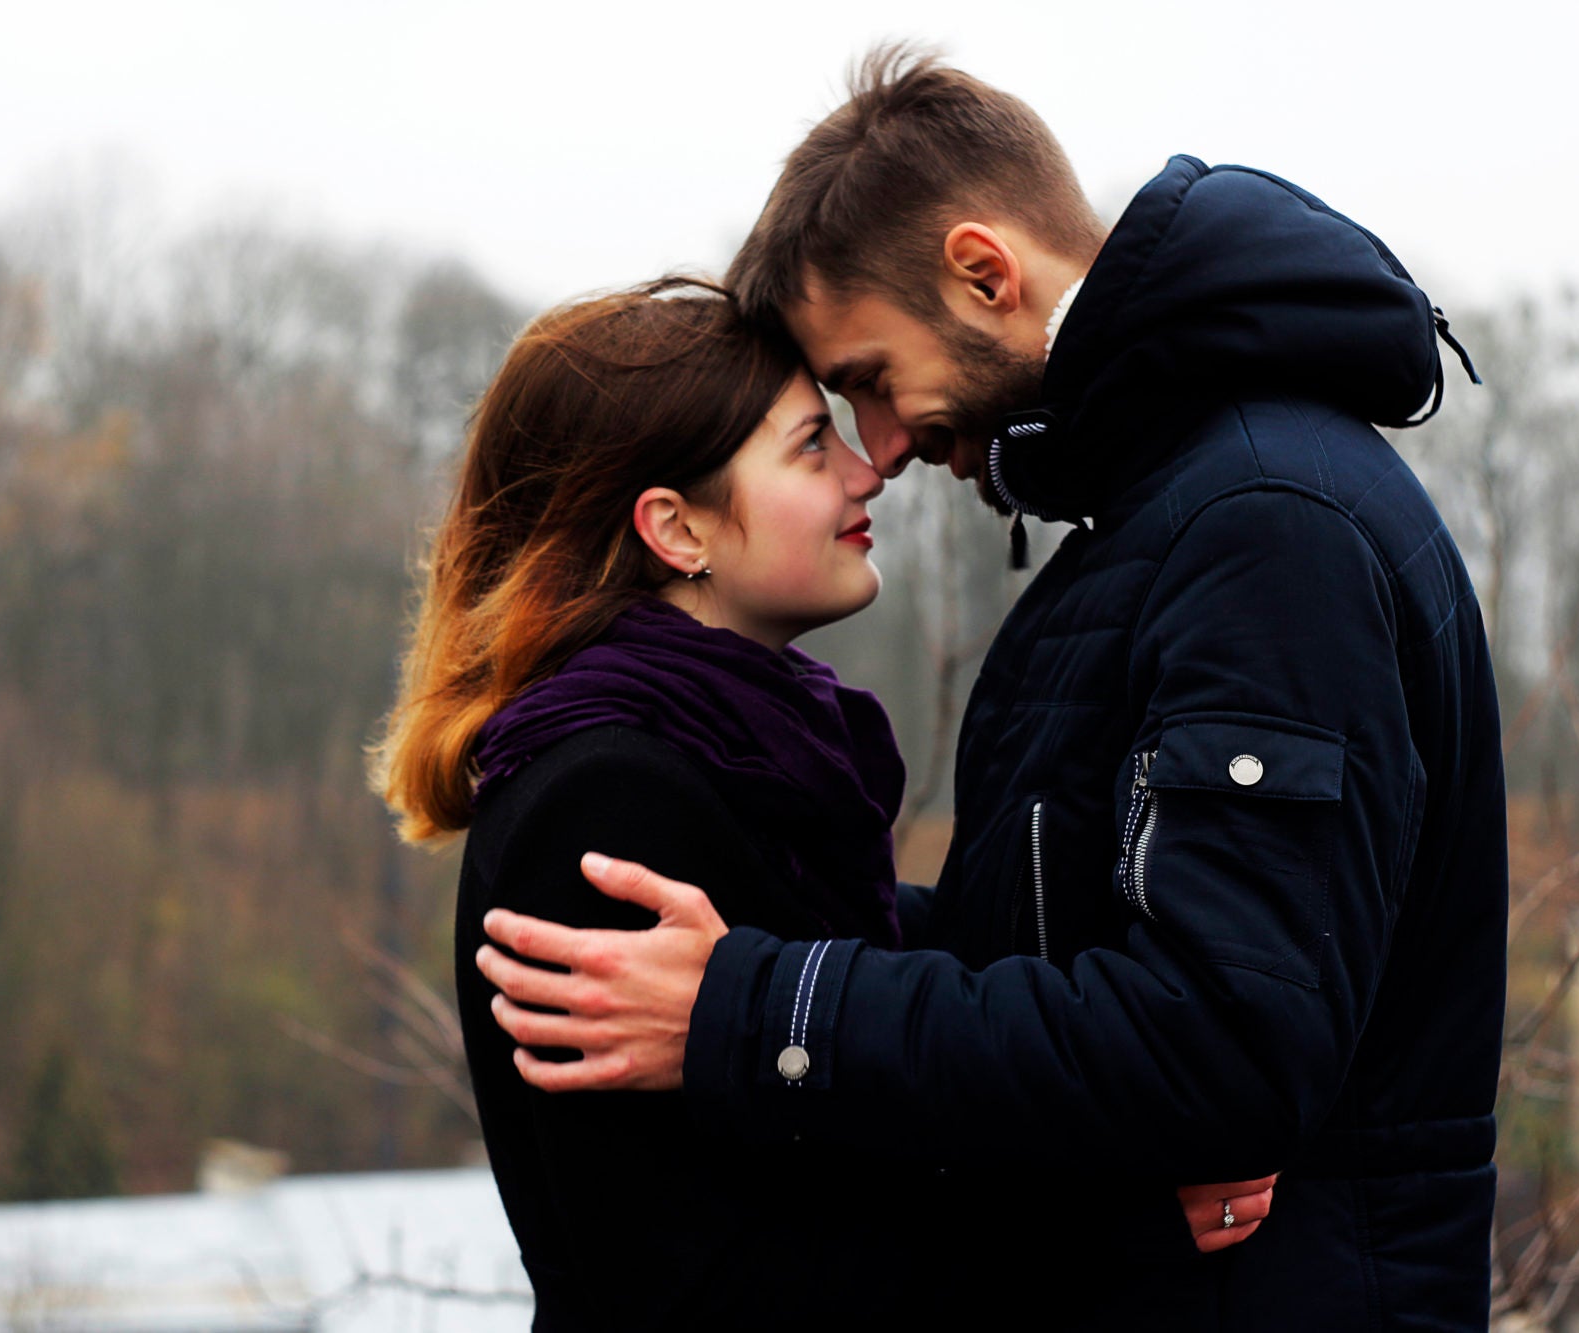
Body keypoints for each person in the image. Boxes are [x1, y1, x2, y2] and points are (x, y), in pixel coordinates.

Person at [475, 49, 1506, 1331]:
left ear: (981, 272)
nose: (885, 449)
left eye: (863, 380)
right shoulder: (1162, 515)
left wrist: (758, 1007)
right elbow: (1097, 943)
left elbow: (1227, 1042)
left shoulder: (1258, 527)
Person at [371, 279, 1268, 1331]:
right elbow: (697, 1278)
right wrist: (1117, 1209)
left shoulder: (734, 758)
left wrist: (1153, 1081)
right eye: (809, 447)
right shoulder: (601, 804)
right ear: (673, 526)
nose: (865, 471)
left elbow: (871, 992)